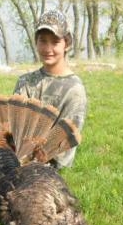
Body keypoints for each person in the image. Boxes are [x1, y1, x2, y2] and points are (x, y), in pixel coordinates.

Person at [13, 9, 88, 169]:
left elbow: (64, 148)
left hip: (49, 169)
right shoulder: (25, 81)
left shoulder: (74, 90)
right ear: (36, 42)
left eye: (55, 42)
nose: (48, 48)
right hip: (18, 158)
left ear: (67, 43)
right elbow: (13, 129)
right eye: (43, 41)